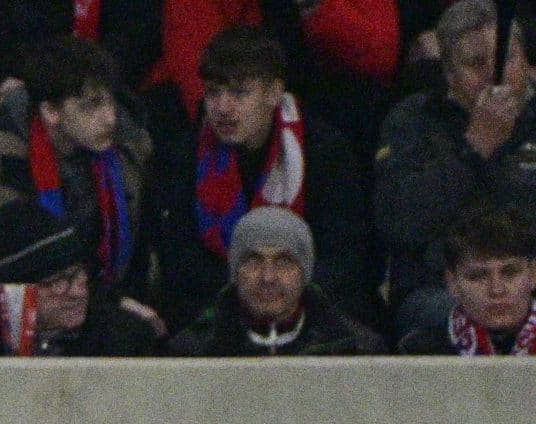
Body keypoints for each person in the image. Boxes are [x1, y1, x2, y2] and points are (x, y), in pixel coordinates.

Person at [152, 26, 375, 330]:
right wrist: (250, 295)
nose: (222, 107)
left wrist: (282, 296)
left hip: (308, 302)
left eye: (239, 92)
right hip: (217, 303)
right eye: (213, 92)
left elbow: (344, 252)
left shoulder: (323, 149)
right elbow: (181, 261)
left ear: (273, 93)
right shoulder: (183, 154)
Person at [0, 36, 153, 305]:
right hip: (13, 302)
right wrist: (109, 307)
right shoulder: (0, 156)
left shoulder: (127, 146)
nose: (110, 118)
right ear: (50, 111)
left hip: (101, 295)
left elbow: (141, 254)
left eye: (109, 102)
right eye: (91, 105)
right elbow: (3, 266)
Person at [376, 0, 536, 340]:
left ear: (526, 63)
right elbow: (400, 223)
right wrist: (473, 150)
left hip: (528, 282)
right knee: (452, 317)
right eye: (476, 64)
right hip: (440, 289)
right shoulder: (412, 122)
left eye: (505, 59)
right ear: (449, 74)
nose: (494, 77)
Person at [0, 197, 158, 354]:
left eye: (79, 275)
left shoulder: (125, 342)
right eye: (59, 282)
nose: (77, 291)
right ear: (14, 291)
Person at [167, 205, 385, 354]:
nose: (268, 277)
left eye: (284, 262)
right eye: (253, 261)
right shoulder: (192, 350)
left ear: (304, 272)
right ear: (235, 271)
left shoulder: (354, 349)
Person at [398, 204, 536, 352]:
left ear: (533, 275)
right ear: (452, 283)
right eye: (478, 277)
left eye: (510, 273)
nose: (496, 290)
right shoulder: (420, 352)